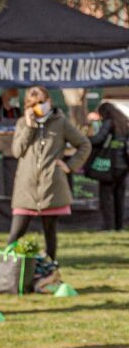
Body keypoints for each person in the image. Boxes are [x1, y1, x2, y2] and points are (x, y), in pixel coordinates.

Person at [8, 86, 91, 261]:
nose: (39, 106)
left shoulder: (60, 122)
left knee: (50, 233)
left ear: (49, 101)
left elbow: (84, 144)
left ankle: (50, 269)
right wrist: (30, 128)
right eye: (34, 103)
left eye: (41, 102)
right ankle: (8, 271)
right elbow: (17, 151)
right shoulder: (22, 123)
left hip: (51, 186)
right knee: (16, 233)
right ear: (27, 106)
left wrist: (70, 166)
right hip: (27, 188)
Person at [89, 102, 129, 231]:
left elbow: (98, 140)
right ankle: (119, 226)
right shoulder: (124, 122)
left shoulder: (109, 122)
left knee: (106, 197)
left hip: (109, 165)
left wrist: (85, 139)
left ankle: (108, 226)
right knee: (119, 197)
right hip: (124, 165)